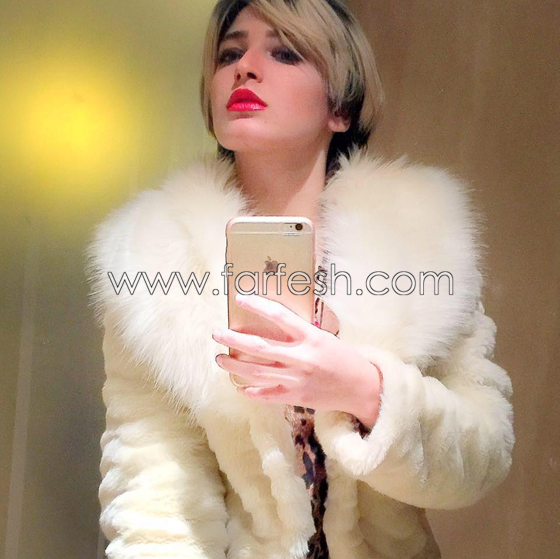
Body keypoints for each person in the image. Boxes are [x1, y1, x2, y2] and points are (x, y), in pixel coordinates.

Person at [86, 1, 515, 558]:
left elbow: (483, 455)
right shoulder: (151, 257)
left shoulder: (424, 242)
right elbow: (152, 484)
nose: (246, 67)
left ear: (340, 107)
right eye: (230, 54)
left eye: (285, 52)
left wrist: (364, 389)